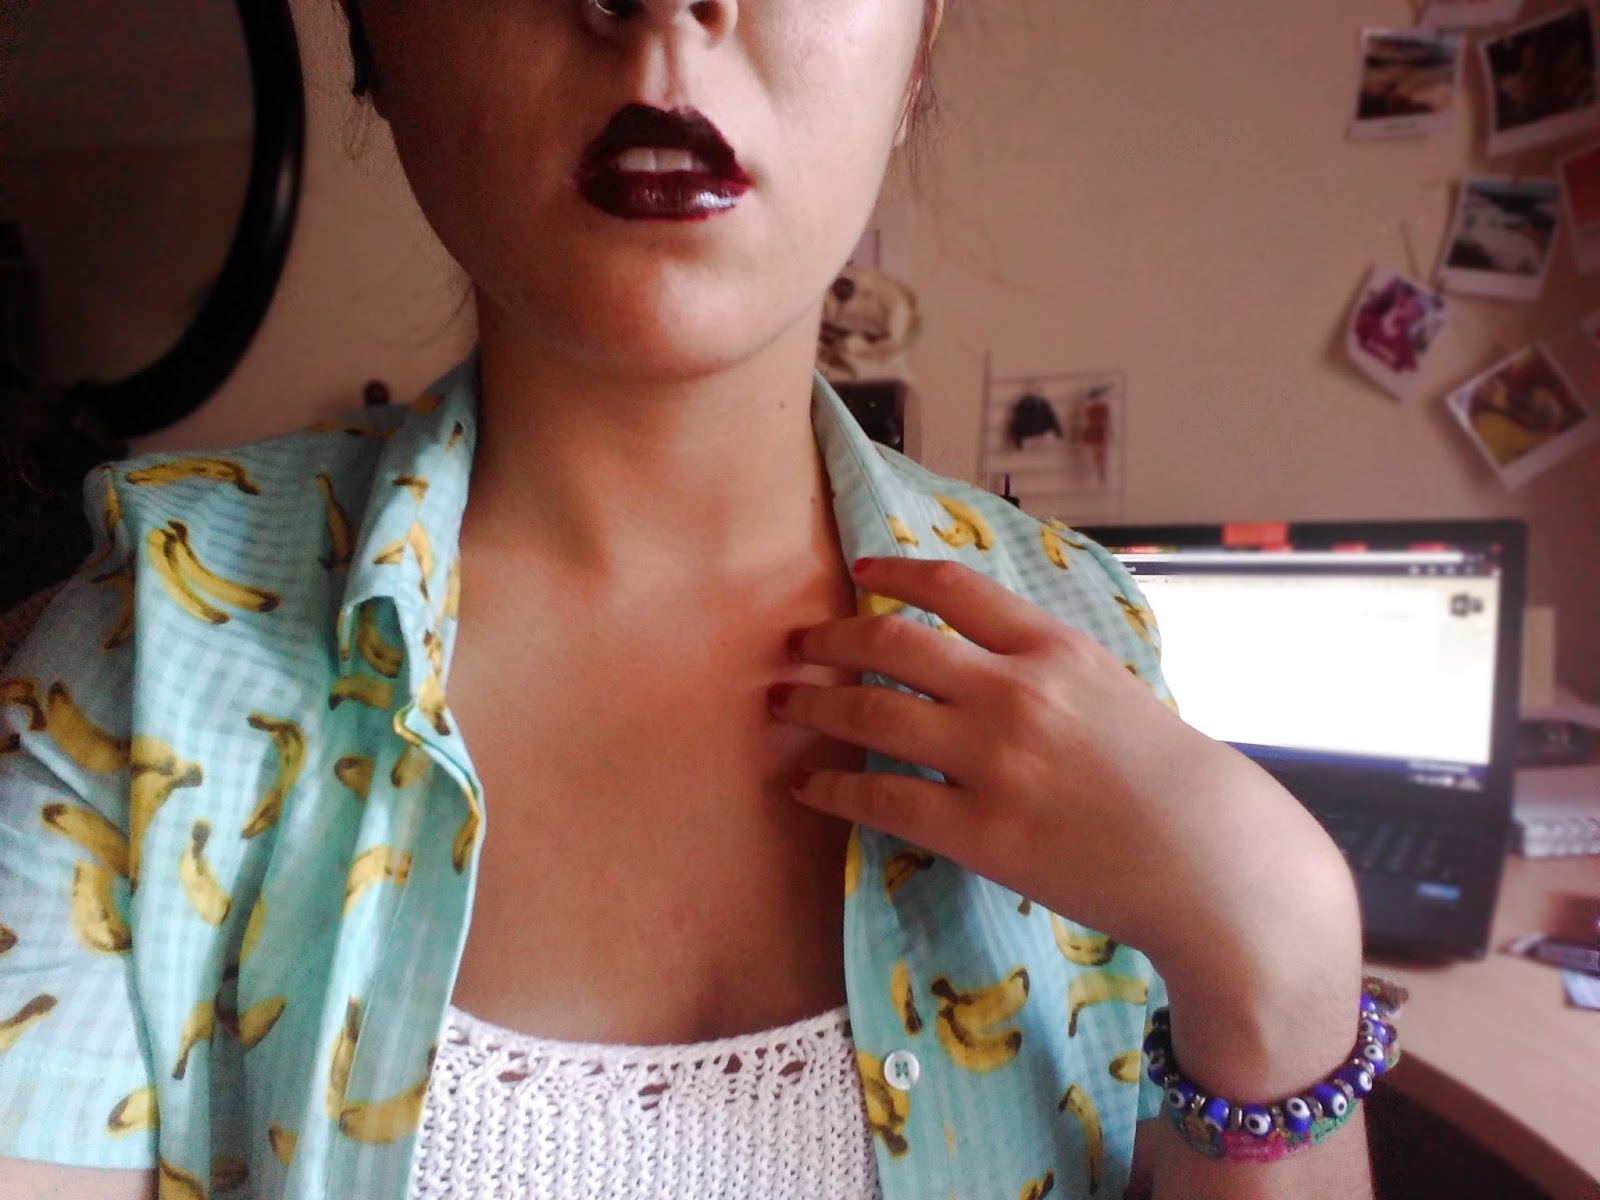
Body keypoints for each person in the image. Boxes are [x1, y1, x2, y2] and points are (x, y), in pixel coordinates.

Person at [0, 2, 1378, 1198]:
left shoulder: (1087, 631)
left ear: (918, 40)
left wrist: (1278, 949)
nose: (664, 4)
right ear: (370, 36)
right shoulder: (149, 643)